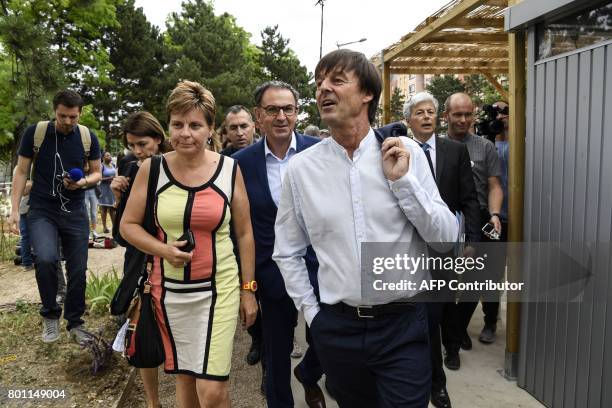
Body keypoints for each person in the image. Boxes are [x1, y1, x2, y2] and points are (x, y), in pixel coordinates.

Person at [273, 49, 458, 407]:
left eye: (336, 80)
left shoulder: (405, 153)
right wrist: (313, 316)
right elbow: (287, 251)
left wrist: (404, 184)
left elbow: (445, 238)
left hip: (403, 324)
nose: (323, 89)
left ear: (367, 94)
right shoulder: (301, 170)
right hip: (337, 329)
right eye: (319, 83)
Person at [120, 81, 258, 408]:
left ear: (211, 129)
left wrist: (248, 289)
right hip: (169, 293)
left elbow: (245, 234)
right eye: (178, 124)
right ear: (168, 126)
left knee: (211, 391)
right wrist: (164, 250)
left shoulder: (229, 169)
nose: (185, 133)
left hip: (219, 291)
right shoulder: (152, 170)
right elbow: (127, 225)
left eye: (195, 125)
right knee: (185, 379)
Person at [233, 80, 326, 408]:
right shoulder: (241, 164)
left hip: (323, 271)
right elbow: (240, 229)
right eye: (272, 109)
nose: (281, 116)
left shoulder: (320, 151)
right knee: (275, 357)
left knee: (329, 341)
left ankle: (310, 373)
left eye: (288, 108)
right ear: (259, 116)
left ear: (297, 112)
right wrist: (247, 287)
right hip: (272, 277)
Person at [405, 91, 480, 408]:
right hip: (407, 249)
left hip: (443, 250)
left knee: (435, 315)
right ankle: (421, 378)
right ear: (408, 120)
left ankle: (438, 384)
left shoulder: (455, 151)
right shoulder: (399, 151)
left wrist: (471, 241)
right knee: (414, 316)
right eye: (419, 112)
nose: (426, 116)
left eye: (430, 112)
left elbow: (469, 199)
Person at [8, 89, 102, 344]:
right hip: (42, 210)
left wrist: (82, 182)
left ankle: (75, 323)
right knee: (46, 259)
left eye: (73, 117)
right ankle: (50, 316)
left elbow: (97, 173)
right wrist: (15, 209)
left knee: (78, 269)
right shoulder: (36, 133)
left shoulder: (87, 137)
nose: (68, 122)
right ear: (54, 111)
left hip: (74, 211)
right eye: (62, 116)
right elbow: (21, 171)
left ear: (79, 113)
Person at [111, 111, 170, 408]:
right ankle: (152, 402)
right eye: (132, 145)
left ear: (158, 140)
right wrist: (119, 198)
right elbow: (121, 234)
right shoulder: (129, 167)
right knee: (143, 327)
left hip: (171, 255)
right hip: (139, 261)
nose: (137, 151)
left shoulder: (175, 165)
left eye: (143, 144)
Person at [443, 93, 503, 347]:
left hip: (477, 219)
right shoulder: (434, 146)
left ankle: (456, 331)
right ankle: (452, 333)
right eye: (458, 114)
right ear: (446, 115)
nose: (463, 120)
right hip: (445, 220)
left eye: (468, 114)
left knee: (475, 280)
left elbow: (494, 185)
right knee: (444, 282)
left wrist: (495, 214)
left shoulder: (484, 146)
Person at [98, 151, 117, 233]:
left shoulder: (113, 165)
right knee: (104, 208)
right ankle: (105, 227)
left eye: (109, 155)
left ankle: (114, 226)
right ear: (103, 157)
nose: (109, 157)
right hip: (104, 189)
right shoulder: (101, 166)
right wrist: (109, 178)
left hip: (112, 189)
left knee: (112, 208)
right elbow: (99, 178)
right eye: (107, 155)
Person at [82, 160, 99, 238]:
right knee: (87, 212)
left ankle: (94, 231)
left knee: (94, 212)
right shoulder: (80, 173)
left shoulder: (93, 172)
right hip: (84, 192)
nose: (87, 167)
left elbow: (97, 181)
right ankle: (88, 232)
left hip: (93, 191)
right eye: (85, 165)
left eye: (88, 165)